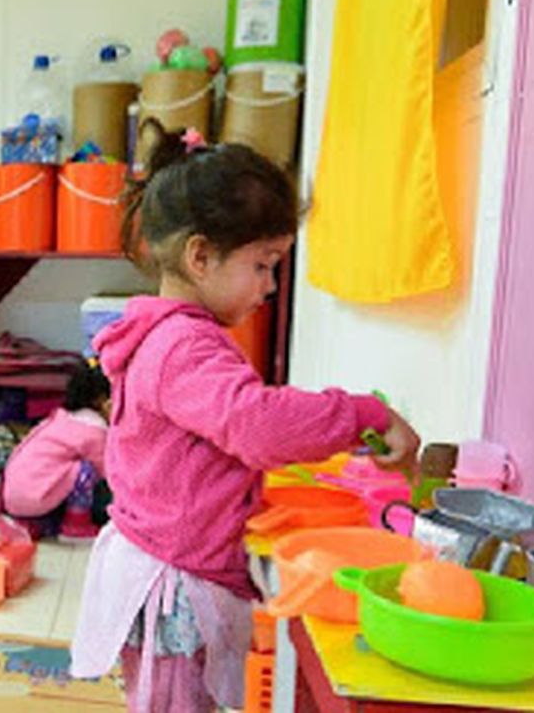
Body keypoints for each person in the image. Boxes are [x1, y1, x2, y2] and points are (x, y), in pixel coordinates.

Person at [68, 126, 420, 712]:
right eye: (263, 265)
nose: (270, 286)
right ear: (200, 256)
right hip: (173, 584)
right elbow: (255, 423)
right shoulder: (183, 347)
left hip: (160, 562)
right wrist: (365, 411)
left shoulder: (172, 335)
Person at [0, 357, 112, 543]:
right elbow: (110, 472)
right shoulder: (94, 430)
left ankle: (28, 525)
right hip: (35, 495)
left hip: (15, 496)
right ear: (102, 401)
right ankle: (76, 526)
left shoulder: (64, 418)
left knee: (60, 479)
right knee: (86, 471)